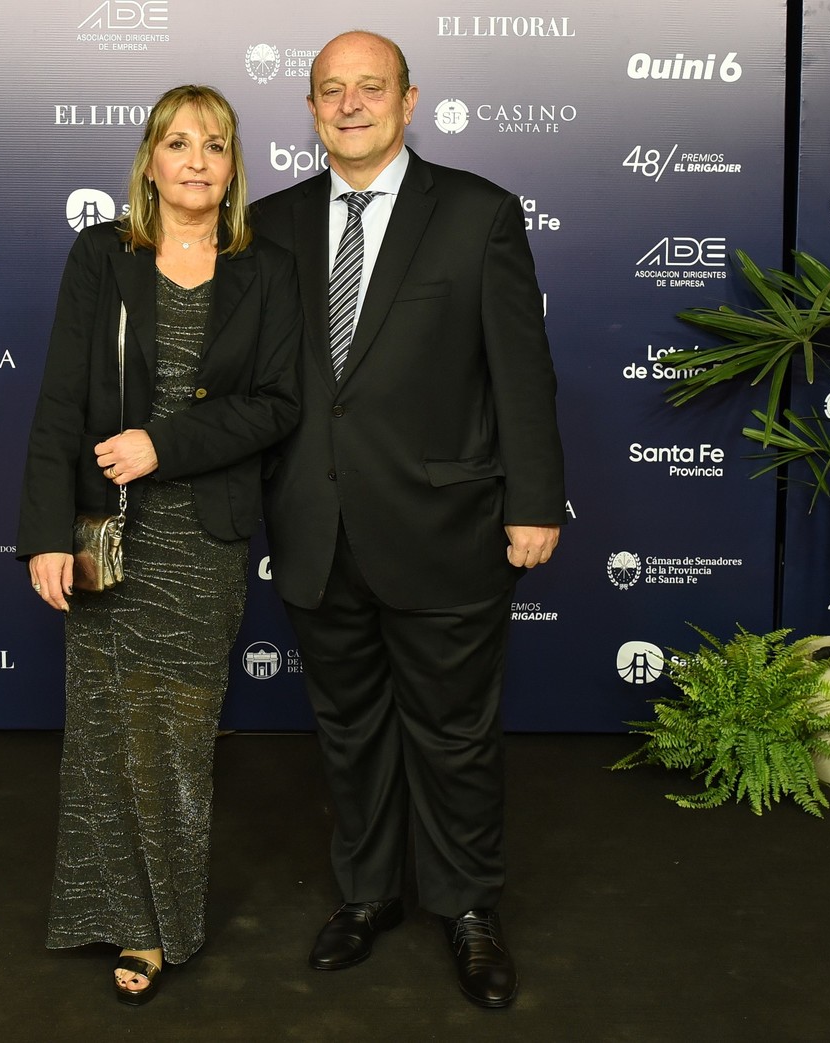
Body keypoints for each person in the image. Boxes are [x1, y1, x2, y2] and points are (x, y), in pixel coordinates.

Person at [251, 31, 567, 1008]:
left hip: (446, 527)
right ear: (309, 108)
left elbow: (519, 370)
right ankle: (365, 893)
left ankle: (467, 906)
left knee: (452, 732)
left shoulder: (475, 214)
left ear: (408, 99)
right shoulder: (265, 224)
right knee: (347, 729)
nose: (350, 104)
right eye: (330, 90)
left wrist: (532, 499)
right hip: (315, 528)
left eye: (369, 87)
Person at [17, 83, 301, 1006]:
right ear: (148, 161)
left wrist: (161, 444)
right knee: (103, 736)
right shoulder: (104, 256)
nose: (195, 161)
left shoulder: (264, 269)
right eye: (176, 144)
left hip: (202, 538)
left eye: (213, 145)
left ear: (232, 165)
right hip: (108, 532)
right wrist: (44, 534)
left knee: (172, 743)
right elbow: (62, 399)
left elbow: (274, 407)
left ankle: (165, 921)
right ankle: (116, 917)